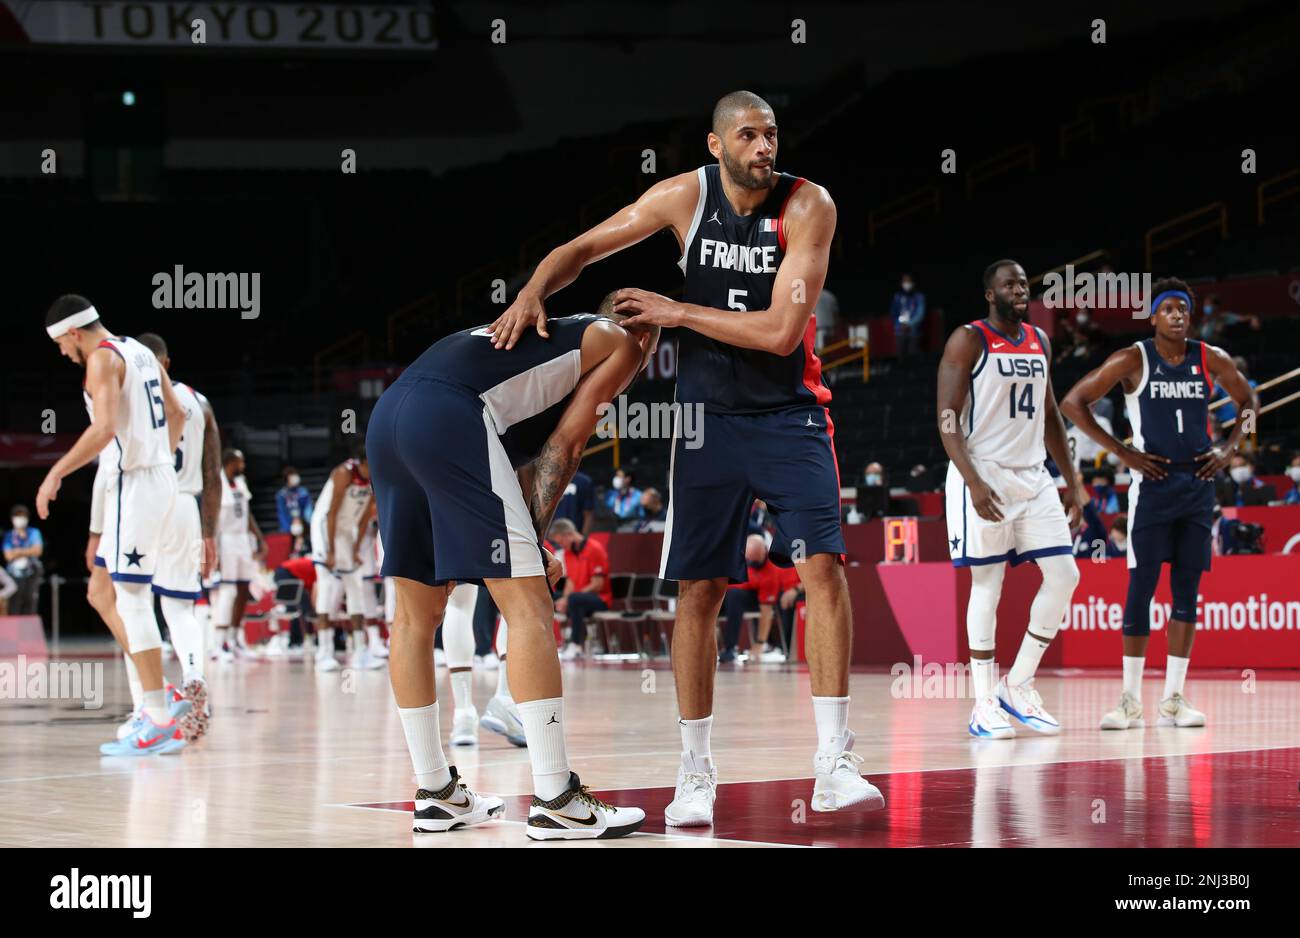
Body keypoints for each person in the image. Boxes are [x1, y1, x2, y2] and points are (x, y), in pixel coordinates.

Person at [490, 90, 885, 824]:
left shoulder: (809, 206)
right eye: (749, 135)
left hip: (791, 415)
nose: (765, 147)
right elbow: (585, 246)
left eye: (772, 134)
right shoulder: (684, 197)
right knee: (698, 592)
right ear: (716, 145)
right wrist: (534, 290)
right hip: (705, 422)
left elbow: (778, 331)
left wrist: (674, 311)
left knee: (823, 570)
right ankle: (694, 773)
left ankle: (833, 761)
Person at [366, 295, 657, 838]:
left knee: (413, 616)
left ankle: (436, 792)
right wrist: (536, 544)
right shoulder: (620, 346)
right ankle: (556, 799)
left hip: (390, 417)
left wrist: (526, 537)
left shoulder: (536, 350)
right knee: (528, 604)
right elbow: (565, 448)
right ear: (646, 332)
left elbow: (517, 463)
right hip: (450, 417)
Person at [1061, 276, 1258, 731]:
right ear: (1153, 316)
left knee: (1187, 593)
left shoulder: (1211, 358)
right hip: (1151, 486)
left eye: (1183, 309)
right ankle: (1129, 700)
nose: (1176, 315)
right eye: (1167, 308)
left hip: (1197, 487)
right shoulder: (1134, 358)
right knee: (1141, 589)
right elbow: (1074, 402)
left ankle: (1174, 698)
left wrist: (1228, 452)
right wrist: (1124, 452)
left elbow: (1249, 401)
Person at [937, 260, 1085, 740]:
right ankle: (982, 703)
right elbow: (946, 418)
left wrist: (1074, 482)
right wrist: (973, 481)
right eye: (1009, 284)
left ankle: (1016, 685)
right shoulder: (969, 338)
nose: (1019, 289)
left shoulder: (1040, 340)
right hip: (982, 472)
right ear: (990, 293)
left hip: (1033, 476)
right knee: (989, 584)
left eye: (1023, 282)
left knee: (1065, 575)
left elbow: (1050, 417)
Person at [37, 295, 190, 755]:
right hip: (158, 477)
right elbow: (178, 413)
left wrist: (56, 472)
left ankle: (159, 718)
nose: (64, 354)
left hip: (135, 484)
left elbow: (103, 430)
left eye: (63, 345)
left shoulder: (102, 359)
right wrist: (160, 458)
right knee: (100, 591)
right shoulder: (139, 350)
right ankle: (160, 692)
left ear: (73, 333)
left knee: (133, 599)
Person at [135, 332, 221, 740]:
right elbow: (212, 472)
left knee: (133, 604)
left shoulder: (128, 395)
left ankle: (147, 706)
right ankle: (193, 672)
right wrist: (209, 532)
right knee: (180, 608)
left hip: (144, 501)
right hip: (186, 506)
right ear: (166, 362)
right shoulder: (199, 402)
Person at [309, 448, 380, 672]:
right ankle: (324, 651)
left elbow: (364, 519)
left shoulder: (374, 477)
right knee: (328, 586)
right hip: (325, 528)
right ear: (362, 462)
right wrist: (330, 551)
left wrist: (357, 548)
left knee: (355, 587)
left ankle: (360, 652)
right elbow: (331, 513)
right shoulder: (343, 473)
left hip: (346, 531)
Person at [213, 449, 267, 662]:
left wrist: (260, 538)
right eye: (239, 462)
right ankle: (219, 643)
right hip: (225, 539)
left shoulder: (241, 482)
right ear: (229, 463)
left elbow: (248, 513)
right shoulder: (217, 484)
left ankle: (234, 640)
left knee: (244, 589)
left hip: (242, 539)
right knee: (227, 591)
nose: (243, 466)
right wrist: (213, 550)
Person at [550, 518, 611, 661]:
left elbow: (598, 584)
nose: (561, 546)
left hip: (600, 599)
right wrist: (564, 599)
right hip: (577, 599)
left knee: (574, 599)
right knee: (550, 596)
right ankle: (560, 642)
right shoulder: (568, 553)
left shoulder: (594, 548)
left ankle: (576, 645)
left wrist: (569, 599)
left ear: (569, 535)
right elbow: (570, 581)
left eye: (561, 542)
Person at [3, 506, 44, 615]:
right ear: (12, 518)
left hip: (31, 574)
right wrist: (28, 551)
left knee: (30, 602)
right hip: (13, 575)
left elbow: (38, 550)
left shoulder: (33, 532)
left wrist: (17, 552)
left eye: (22, 516)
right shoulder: (9, 535)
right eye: (17, 516)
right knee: (14, 604)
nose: (20, 519)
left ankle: (28, 630)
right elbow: (8, 556)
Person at [891, 273, 926, 359]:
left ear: (913, 282)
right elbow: (893, 313)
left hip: (914, 332)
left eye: (908, 281)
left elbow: (920, 314)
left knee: (913, 357)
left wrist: (910, 324)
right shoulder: (898, 297)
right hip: (900, 331)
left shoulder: (919, 297)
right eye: (904, 281)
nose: (906, 283)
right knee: (900, 358)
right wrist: (900, 324)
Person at [275, 466, 314, 535]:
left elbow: (308, 509)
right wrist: (287, 528)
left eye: (295, 475)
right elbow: (282, 512)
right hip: (288, 527)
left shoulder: (303, 492)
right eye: (292, 476)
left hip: (303, 525)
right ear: (287, 478)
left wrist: (306, 522)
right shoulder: (281, 495)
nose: (295, 478)